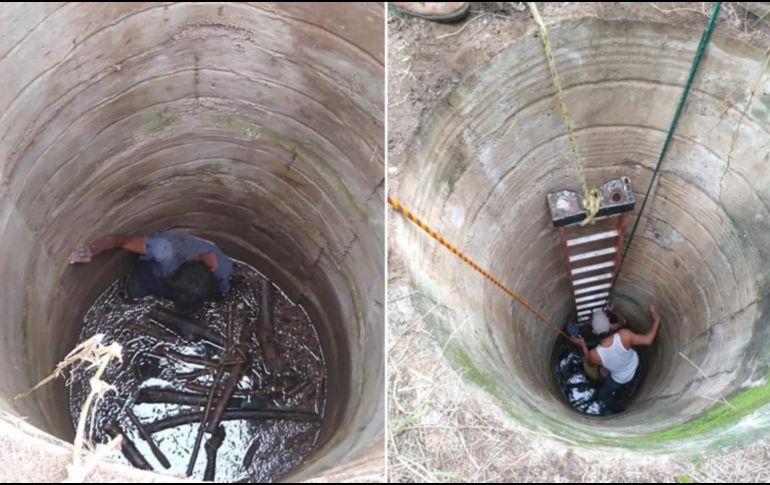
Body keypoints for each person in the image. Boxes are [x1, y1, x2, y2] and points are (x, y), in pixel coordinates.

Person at [69, 231, 234, 310]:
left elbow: (224, 291)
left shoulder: (223, 271)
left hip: (176, 287)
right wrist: (92, 249)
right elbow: (118, 240)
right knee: (133, 293)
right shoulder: (164, 250)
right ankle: (128, 298)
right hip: (149, 279)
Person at [569, 305, 661, 415]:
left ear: (593, 332)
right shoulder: (624, 335)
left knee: (602, 396)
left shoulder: (595, 354)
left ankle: (621, 412)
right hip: (633, 363)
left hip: (620, 378)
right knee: (606, 370)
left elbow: (589, 363)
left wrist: (583, 346)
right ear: (609, 326)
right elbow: (648, 340)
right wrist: (656, 321)